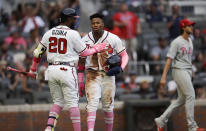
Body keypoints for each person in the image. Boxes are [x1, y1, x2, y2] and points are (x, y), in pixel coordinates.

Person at [28, 8, 107, 131]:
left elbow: (38, 53)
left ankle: (49, 129)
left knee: (58, 102)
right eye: (74, 18)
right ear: (69, 19)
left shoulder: (49, 32)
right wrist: (97, 48)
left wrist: (33, 70)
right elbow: (85, 53)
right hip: (67, 70)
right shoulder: (72, 34)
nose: (75, 21)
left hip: (52, 70)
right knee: (73, 104)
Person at [78, 13, 129, 131]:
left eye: (98, 23)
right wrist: (80, 81)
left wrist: (121, 67)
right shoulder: (84, 39)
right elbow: (81, 62)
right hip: (91, 74)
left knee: (108, 105)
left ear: (103, 24)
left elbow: (124, 55)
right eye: (93, 23)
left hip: (108, 74)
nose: (95, 25)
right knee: (92, 104)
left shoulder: (113, 38)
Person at [154, 19, 205, 131]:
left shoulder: (190, 41)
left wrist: (191, 71)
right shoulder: (176, 42)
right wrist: (163, 77)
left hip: (187, 71)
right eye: (189, 26)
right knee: (191, 95)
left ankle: (161, 120)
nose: (191, 27)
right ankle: (192, 127)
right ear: (183, 27)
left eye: (192, 26)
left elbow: (188, 59)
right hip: (178, 70)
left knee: (181, 99)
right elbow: (168, 60)